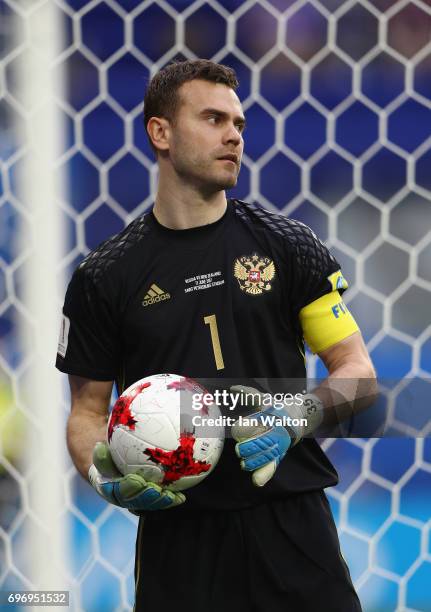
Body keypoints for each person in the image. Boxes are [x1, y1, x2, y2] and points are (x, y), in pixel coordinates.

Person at [56, 59, 377, 611]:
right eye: (212, 118)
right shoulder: (103, 276)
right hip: (178, 540)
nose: (233, 134)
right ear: (160, 132)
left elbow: (358, 374)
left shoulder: (289, 245)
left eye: (239, 123)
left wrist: (291, 420)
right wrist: (103, 475)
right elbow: (87, 412)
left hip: (292, 525)